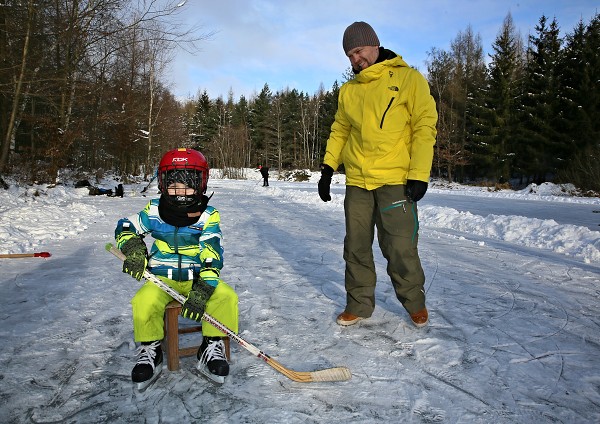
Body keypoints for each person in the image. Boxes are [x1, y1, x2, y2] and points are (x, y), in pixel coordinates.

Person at [318, 22, 437, 328]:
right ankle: (358, 304)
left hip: (395, 179)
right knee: (356, 246)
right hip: (358, 181)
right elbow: (340, 130)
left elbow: (425, 126)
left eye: (358, 51)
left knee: (399, 246)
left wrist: (419, 173)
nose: (355, 59)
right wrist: (328, 168)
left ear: (374, 44)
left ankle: (414, 303)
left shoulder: (408, 79)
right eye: (349, 55)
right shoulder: (349, 91)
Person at [115, 148, 239, 388]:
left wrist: (204, 286)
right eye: (174, 186)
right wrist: (133, 248)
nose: (180, 192)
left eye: (187, 186)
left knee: (225, 297)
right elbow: (125, 227)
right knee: (144, 300)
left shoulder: (208, 215)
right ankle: (151, 349)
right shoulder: (153, 211)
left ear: (201, 184)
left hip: (197, 275)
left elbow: (212, 250)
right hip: (162, 277)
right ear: (163, 184)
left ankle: (211, 345)